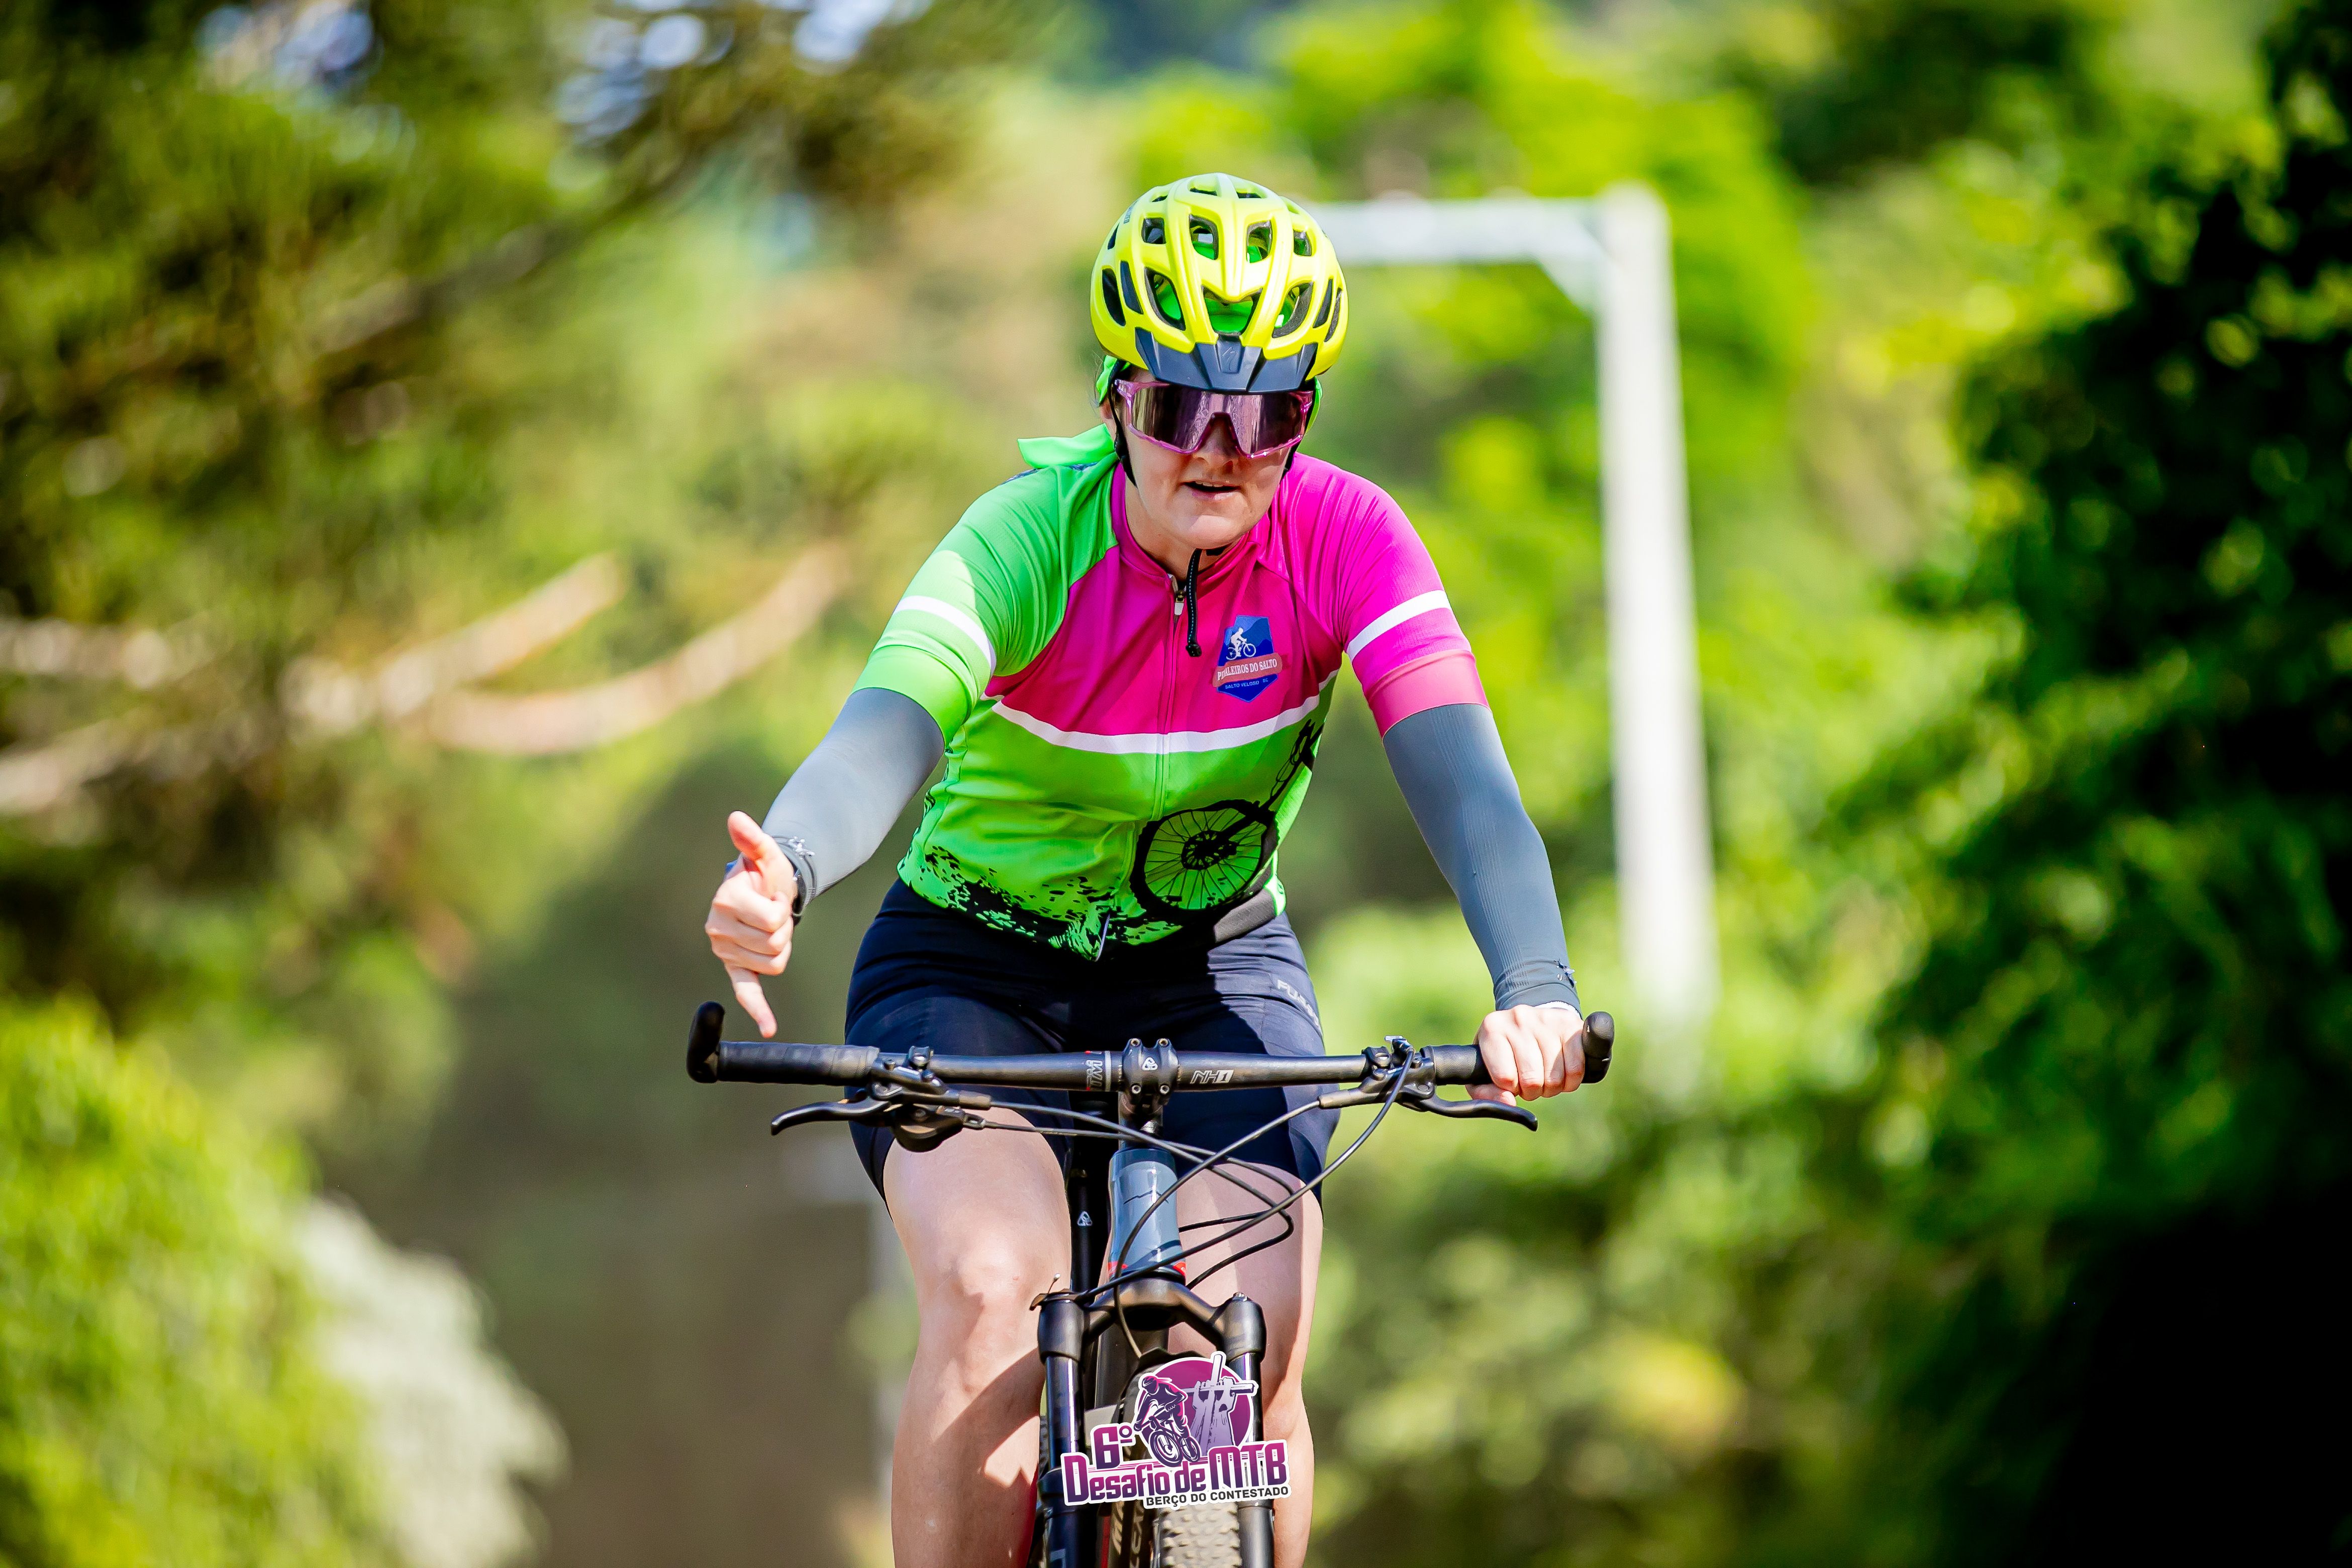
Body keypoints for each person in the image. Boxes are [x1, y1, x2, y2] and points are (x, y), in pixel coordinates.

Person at [704, 172, 1588, 1568]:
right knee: (996, 1293)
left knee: (1258, 1331)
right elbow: (883, 735)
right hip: (973, 969)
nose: (1222, 452)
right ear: (1119, 398)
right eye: (1185, 407)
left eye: (1268, 414)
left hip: (1212, 968)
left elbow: (1466, 783)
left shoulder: (1348, 538)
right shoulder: (1023, 540)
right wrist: (789, 871)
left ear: (1307, 417)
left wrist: (1534, 983)